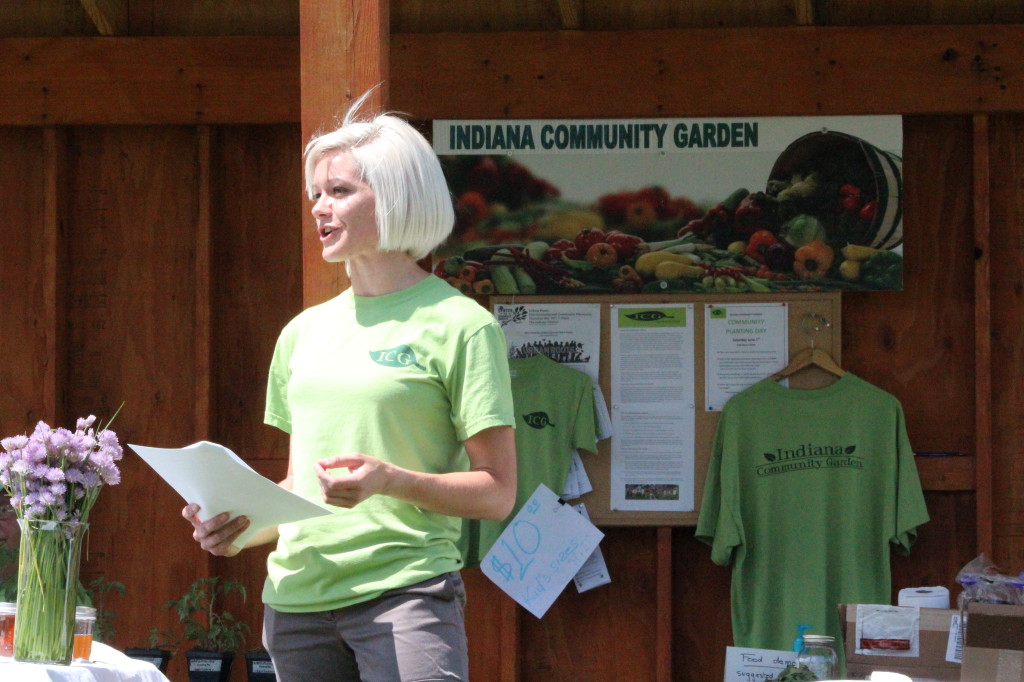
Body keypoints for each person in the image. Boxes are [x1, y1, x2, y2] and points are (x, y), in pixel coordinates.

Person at [183, 93, 517, 682]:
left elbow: (496, 492)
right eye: (316, 193)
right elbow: (302, 486)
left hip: (405, 596)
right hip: (295, 605)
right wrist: (235, 529)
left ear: (396, 197)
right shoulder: (303, 332)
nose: (319, 208)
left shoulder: (462, 325)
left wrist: (390, 479)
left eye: (339, 191)